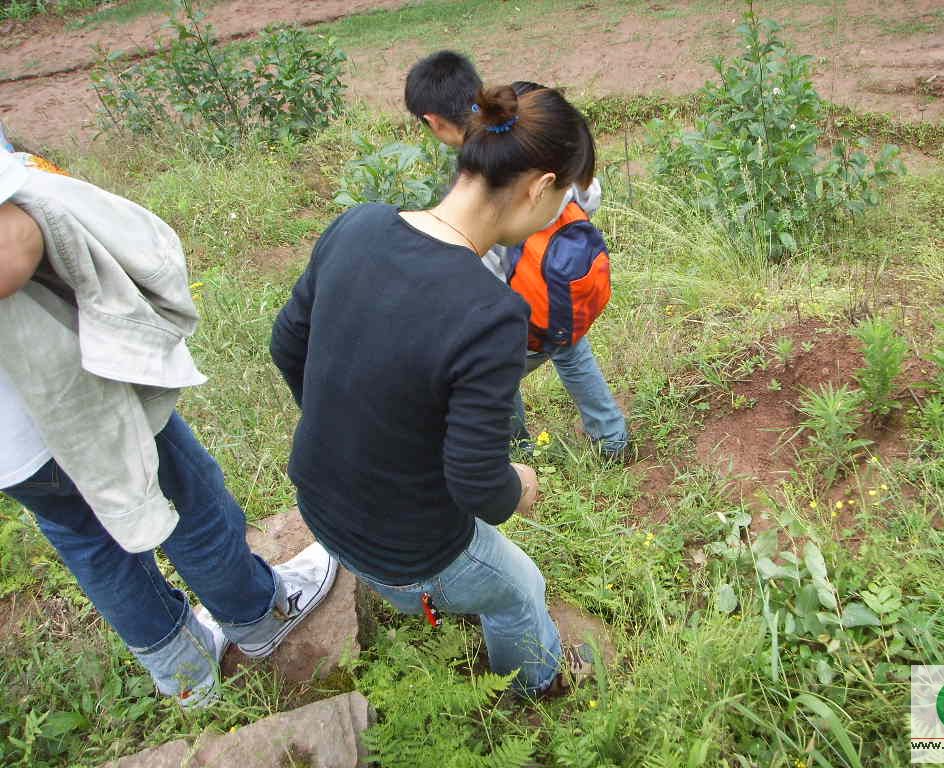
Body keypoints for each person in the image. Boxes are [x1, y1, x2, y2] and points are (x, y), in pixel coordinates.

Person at [271, 84, 597, 696]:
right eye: (564, 198)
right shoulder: (492, 315)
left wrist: (349, 431)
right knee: (520, 588)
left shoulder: (360, 224)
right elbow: (478, 485)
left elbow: (287, 344)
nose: (559, 213)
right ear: (539, 188)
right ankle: (538, 686)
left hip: (316, 498)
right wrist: (520, 487)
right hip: (406, 550)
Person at [0, 149, 337, 708]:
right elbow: (10, 252)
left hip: (9, 451)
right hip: (63, 402)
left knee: (90, 542)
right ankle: (259, 616)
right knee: (190, 499)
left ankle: (185, 673)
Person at [404, 51, 629, 459]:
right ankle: (612, 439)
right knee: (573, 353)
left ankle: (518, 449)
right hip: (564, 289)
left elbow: (478, 270)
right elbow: (589, 193)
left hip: (519, 310)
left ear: (433, 121)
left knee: (497, 374)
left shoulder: (474, 187)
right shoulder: (535, 138)